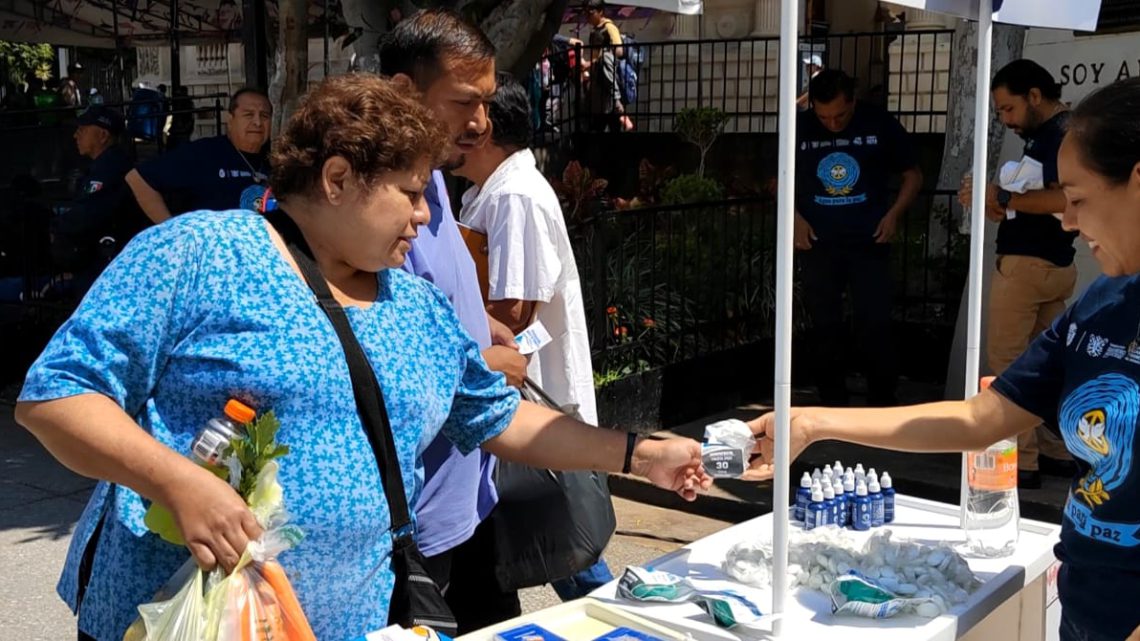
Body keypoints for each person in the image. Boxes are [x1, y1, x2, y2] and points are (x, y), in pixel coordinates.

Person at [15, 73, 711, 641]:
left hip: (345, 623)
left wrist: (636, 452)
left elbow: (501, 419)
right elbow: (56, 396)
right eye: (410, 193)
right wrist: (178, 481)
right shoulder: (201, 252)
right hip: (172, 618)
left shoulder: (416, 307)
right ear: (338, 178)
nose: (424, 215)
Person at [750, 77, 1140, 641]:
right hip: (1087, 605)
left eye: (1077, 199)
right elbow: (983, 418)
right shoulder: (1102, 303)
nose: (1068, 220)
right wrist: (812, 424)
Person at [375, 7, 532, 625]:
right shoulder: (383, 206)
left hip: (472, 491)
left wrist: (479, 327)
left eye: (487, 103)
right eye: (464, 101)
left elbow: (440, 296)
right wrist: (481, 365)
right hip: (419, 516)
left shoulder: (435, 178)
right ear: (402, 93)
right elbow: (374, 359)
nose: (480, 123)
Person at [451, 72, 611, 623]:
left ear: (484, 125)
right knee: (550, 539)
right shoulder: (487, 191)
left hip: (526, 396)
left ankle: (622, 623)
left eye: (466, 107)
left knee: (564, 538)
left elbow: (515, 311)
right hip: (508, 392)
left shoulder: (515, 195)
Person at [959, 59, 1079, 489]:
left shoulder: (1059, 135)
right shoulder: (1057, 133)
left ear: (1034, 96)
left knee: (1008, 368)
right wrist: (998, 201)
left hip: (1028, 267)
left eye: (1008, 109)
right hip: (1052, 264)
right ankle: (1057, 452)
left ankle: (1022, 462)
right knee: (1051, 365)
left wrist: (1001, 195)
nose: (1005, 120)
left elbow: (1062, 199)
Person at [794, 69, 923, 407]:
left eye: (840, 115)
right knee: (824, 322)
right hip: (819, 243)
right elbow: (778, 182)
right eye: (824, 117)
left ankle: (881, 396)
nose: (832, 123)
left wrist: (894, 214)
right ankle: (831, 398)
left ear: (853, 102)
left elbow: (913, 175)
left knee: (875, 320)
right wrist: (794, 219)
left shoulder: (878, 123)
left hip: (870, 241)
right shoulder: (801, 128)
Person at [126, 87, 272, 223]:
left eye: (264, 116)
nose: (258, 122)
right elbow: (137, 179)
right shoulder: (205, 153)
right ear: (230, 120)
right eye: (248, 115)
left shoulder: (276, 161)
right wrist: (172, 229)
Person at [51, 106, 146, 296]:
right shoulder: (105, 165)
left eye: (83, 130)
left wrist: (55, 224)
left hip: (106, 264)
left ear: (103, 135)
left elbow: (88, 214)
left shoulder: (110, 168)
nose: (76, 136)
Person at [581, 0, 628, 133]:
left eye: (591, 13)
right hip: (597, 78)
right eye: (586, 14)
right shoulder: (595, 29)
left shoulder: (609, 27)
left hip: (607, 77)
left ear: (600, 12)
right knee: (598, 116)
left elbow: (619, 50)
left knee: (610, 114)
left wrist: (602, 56)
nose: (588, 17)